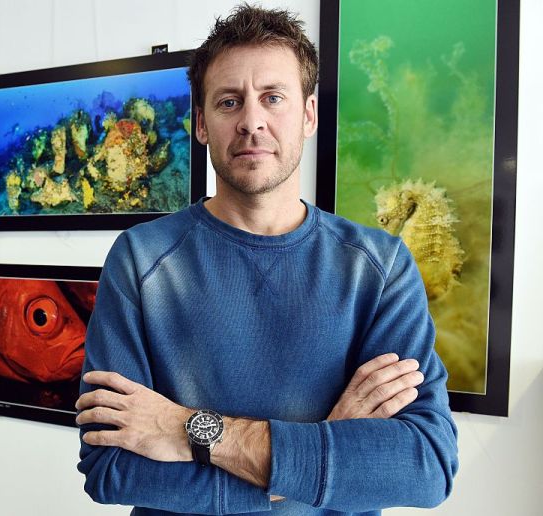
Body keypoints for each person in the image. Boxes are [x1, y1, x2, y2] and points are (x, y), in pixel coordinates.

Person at [76, 5, 458, 515]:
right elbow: (111, 469)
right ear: (201, 124)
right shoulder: (141, 259)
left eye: (272, 98)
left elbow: (425, 466)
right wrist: (322, 450)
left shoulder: (379, 268)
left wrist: (187, 429)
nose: (251, 121)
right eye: (229, 102)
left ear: (308, 115)